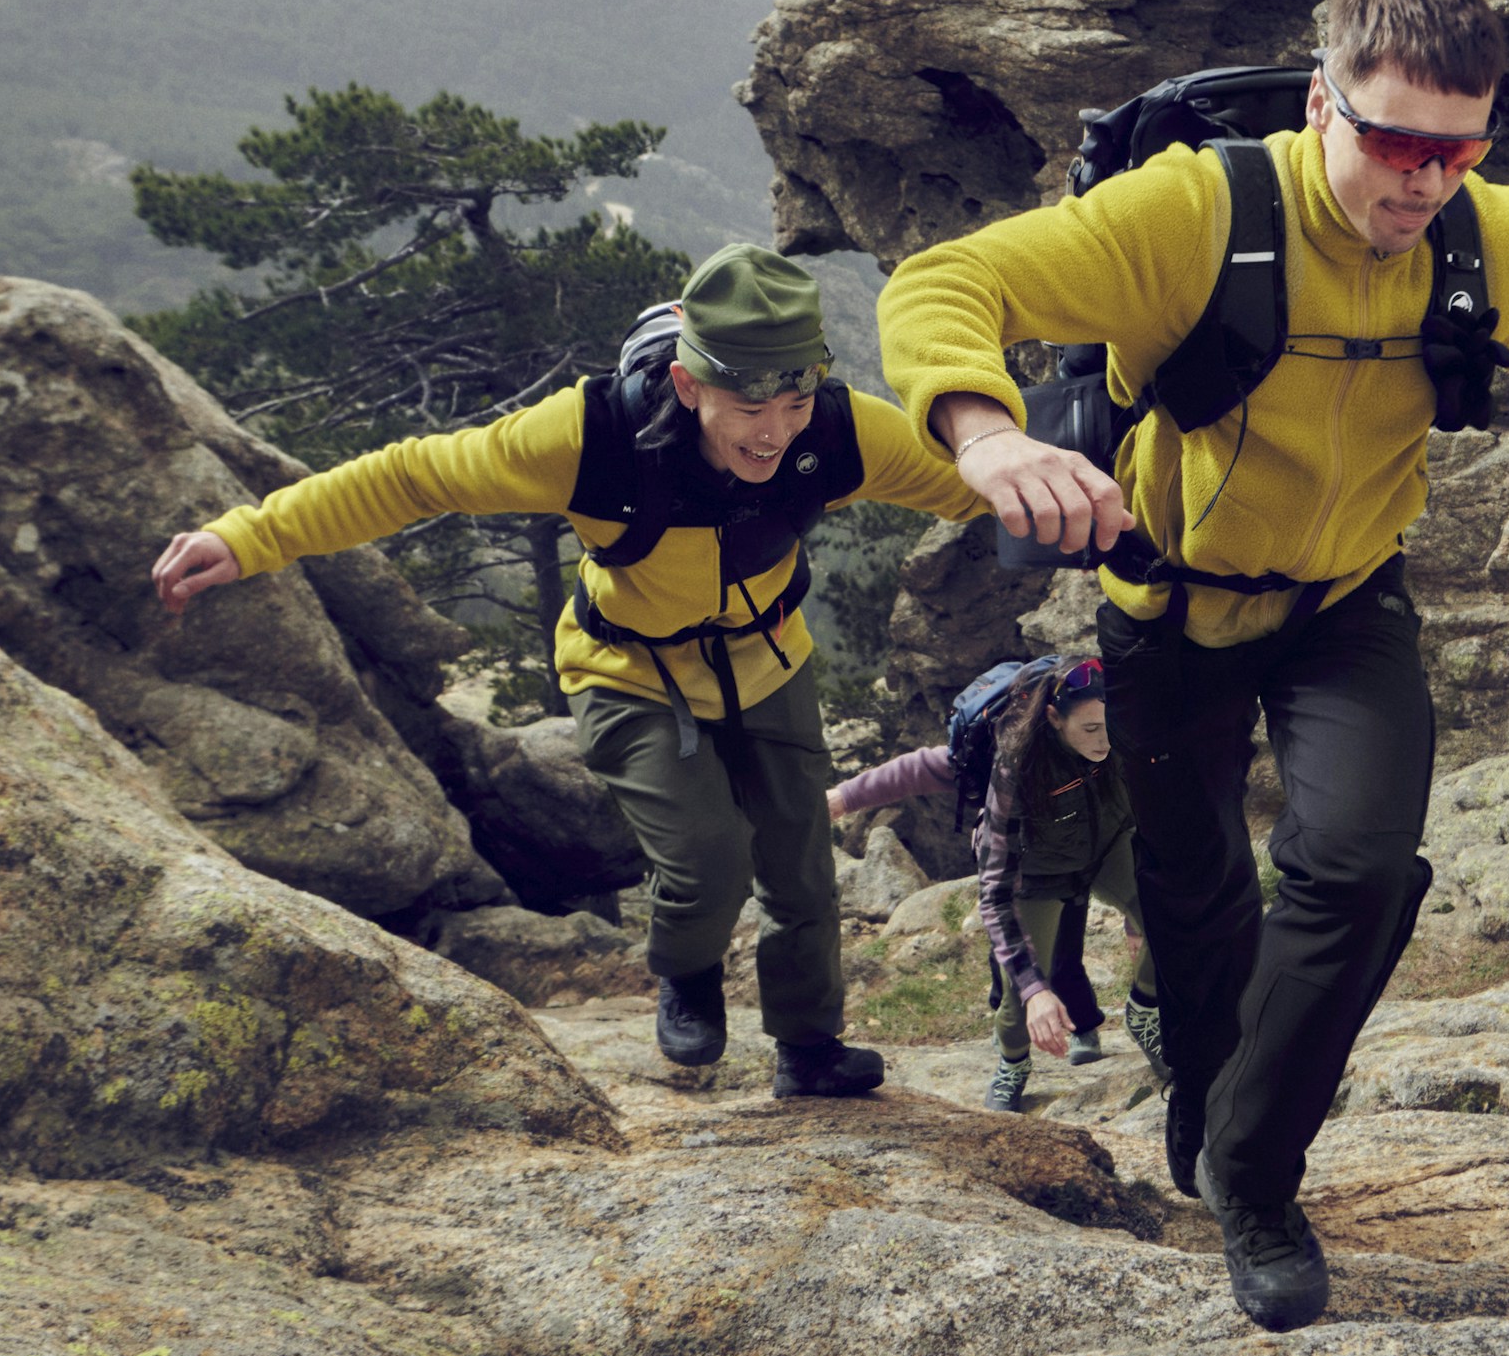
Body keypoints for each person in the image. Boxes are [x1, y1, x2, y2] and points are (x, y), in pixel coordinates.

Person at [879, 0, 1509, 1330]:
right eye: (1392, 139)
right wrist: (986, 432)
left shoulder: (1495, 242)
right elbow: (945, 282)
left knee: (1361, 865)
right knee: (1199, 894)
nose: (1421, 179)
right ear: (1322, 99)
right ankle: (1210, 1089)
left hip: (1344, 605)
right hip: (1165, 607)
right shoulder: (1195, 213)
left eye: (1459, 148)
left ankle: (1254, 1179)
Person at [150, 244, 986, 1100]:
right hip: (626, 667)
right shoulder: (594, 440)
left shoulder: (838, 433)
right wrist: (250, 536)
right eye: (749, 402)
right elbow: (413, 477)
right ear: (691, 386)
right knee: (705, 856)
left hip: (766, 659)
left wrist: (1092, 493)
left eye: (796, 397)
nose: (776, 428)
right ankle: (688, 972)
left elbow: (975, 480)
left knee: (801, 857)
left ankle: (808, 1047)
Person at [827, 655, 1158, 1112]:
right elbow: (995, 892)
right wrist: (1035, 991)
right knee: (1020, 997)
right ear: (1053, 718)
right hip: (1035, 876)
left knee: (1170, 910)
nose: (1104, 740)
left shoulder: (1122, 729)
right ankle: (1013, 1063)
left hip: (1105, 847)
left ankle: (1145, 1013)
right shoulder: (1015, 767)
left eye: (1109, 726)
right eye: (1089, 730)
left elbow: (1142, 806)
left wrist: (1137, 917)